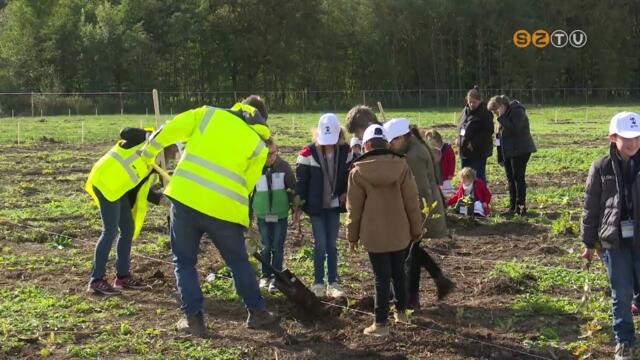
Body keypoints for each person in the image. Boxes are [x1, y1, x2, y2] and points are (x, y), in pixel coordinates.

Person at [137, 95, 278, 337]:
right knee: (238, 262)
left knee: (183, 261)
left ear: (239, 106)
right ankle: (257, 312)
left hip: (185, 200)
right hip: (225, 209)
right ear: (261, 119)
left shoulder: (208, 114)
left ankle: (193, 318)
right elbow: (248, 183)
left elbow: (170, 129)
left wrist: (148, 151)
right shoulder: (258, 143)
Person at [346, 124, 422, 337]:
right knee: (398, 272)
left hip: (374, 235)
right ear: (387, 144)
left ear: (366, 145)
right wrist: (416, 229)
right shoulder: (402, 167)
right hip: (400, 233)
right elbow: (412, 202)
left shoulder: (357, 172)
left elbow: (354, 210)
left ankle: (380, 324)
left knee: (381, 277)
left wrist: (351, 236)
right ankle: (401, 313)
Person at [581, 111, 640, 360]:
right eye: (627, 137)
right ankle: (624, 340)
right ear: (613, 137)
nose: (633, 143)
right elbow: (590, 206)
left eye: (637, 137)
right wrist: (588, 242)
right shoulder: (601, 167)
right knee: (621, 292)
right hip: (613, 241)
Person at [384, 118, 454, 309]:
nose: (390, 146)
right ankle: (435, 283)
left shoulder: (414, 156)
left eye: (392, 142)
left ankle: (414, 297)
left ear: (401, 137)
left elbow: (421, 190)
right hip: (422, 207)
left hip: (421, 209)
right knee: (413, 252)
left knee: (410, 253)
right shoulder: (412, 147)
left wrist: (418, 218)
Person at [85, 127, 160, 295]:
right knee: (109, 231)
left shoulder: (154, 163)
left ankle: (122, 277)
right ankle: (96, 280)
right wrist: (150, 136)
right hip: (104, 181)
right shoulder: (143, 141)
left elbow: (141, 188)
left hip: (118, 189)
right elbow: (124, 132)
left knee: (127, 229)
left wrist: (161, 199)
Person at [294, 113, 352, 298]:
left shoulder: (346, 152)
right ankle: (318, 282)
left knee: (332, 245)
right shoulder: (307, 153)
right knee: (320, 244)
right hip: (316, 207)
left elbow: (352, 175)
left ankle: (333, 282)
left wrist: (346, 192)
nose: (328, 143)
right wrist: (298, 206)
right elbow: (301, 182)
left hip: (334, 206)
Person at [250, 139, 296, 292]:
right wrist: (249, 214)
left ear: (277, 151)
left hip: (280, 214)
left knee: (277, 246)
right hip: (263, 214)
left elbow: (293, 189)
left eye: (273, 153)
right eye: (267, 154)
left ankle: (276, 278)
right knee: (265, 246)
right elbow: (250, 192)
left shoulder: (284, 167)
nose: (270, 157)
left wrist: (296, 209)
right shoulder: (255, 168)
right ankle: (265, 276)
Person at [487, 95, 537, 216]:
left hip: (521, 151)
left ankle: (521, 208)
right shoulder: (502, 118)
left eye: (495, 110)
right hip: (509, 152)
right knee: (510, 179)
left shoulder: (517, 111)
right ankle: (512, 207)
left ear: (501, 106)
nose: (495, 114)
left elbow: (515, 129)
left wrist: (502, 117)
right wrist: (500, 157)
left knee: (518, 178)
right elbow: (499, 139)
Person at [456, 86, 494, 183]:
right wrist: (459, 139)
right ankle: (466, 197)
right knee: (465, 176)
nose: (472, 104)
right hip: (464, 151)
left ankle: (480, 197)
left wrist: (473, 143)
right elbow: (461, 127)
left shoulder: (485, 112)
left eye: (474, 102)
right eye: (470, 102)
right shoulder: (464, 111)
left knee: (478, 177)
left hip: (478, 152)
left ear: (480, 101)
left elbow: (488, 131)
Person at [425, 129, 456, 193]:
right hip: (436, 174)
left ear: (437, 139)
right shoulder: (431, 150)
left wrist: (450, 173)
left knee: (447, 190)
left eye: (430, 139)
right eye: (428, 140)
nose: (429, 141)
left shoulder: (447, 148)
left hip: (445, 175)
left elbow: (452, 162)